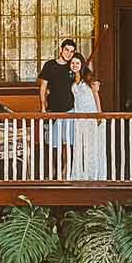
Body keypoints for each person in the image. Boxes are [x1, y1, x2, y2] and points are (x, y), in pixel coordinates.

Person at [39, 39, 77, 177]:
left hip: (70, 110)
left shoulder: (73, 66)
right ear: (61, 50)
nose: (69, 53)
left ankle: (66, 171)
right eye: (66, 50)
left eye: (72, 51)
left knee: (67, 143)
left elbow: (85, 77)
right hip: (53, 110)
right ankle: (53, 170)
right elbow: (43, 88)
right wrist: (43, 107)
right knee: (53, 144)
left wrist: (94, 83)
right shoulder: (50, 65)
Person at [69, 53, 107, 180]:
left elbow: (96, 96)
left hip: (91, 114)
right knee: (80, 145)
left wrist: (99, 114)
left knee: (93, 145)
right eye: (73, 63)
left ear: (82, 64)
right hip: (79, 117)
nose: (74, 65)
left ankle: (93, 174)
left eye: (77, 63)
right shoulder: (72, 80)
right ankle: (80, 174)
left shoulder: (89, 78)